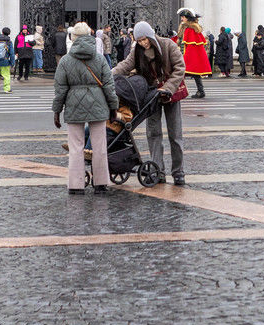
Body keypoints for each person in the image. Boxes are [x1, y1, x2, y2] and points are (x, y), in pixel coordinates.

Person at [113, 20, 187, 186]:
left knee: (175, 135)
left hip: (170, 93)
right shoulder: (137, 51)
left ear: (151, 37)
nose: (143, 43)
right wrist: (109, 75)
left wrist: (168, 87)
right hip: (151, 95)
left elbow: (180, 68)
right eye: (139, 41)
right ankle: (157, 171)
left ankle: (178, 172)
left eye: (145, 39)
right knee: (153, 134)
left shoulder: (168, 45)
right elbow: (125, 65)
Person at [53, 21, 118, 195]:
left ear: (73, 38)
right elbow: (109, 85)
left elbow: (60, 89)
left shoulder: (66, 61)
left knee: (75, 147)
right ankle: (101, 183)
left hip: (74, 104)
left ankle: (76, 185)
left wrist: (57, 111)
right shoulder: (99, 58)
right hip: (98, 104)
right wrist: (113, 107)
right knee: (99, 146)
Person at [177, 8, 211, 97]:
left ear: (187, 18)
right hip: (186, 55)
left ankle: (179, 91)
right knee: (194, 74)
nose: (181, 19)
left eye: (183, 17)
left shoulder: (190, 29)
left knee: (180, 72)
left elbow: (189, 46)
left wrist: (184, 57)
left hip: (188, 55)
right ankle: (200, 91)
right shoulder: (189, 28)